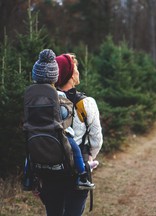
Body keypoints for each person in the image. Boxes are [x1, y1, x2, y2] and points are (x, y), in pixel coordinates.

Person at [30, 49, 95, 190]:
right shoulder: (58, 96)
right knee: (75, 148)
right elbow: (64, 115)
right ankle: (82, 175)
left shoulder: (32, 94)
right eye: (76, 68)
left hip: (35, 131)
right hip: (58, 131)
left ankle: (28, 178)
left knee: (29, 153)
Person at [55, 52, 103, 215]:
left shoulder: (49, 100)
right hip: (77, 167)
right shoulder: (86, 103)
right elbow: (96, 138)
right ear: (69, 74)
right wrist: (90, 158)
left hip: (52, 165)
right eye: (75, 68)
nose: (78, 71)